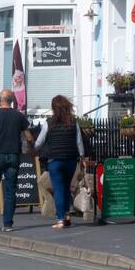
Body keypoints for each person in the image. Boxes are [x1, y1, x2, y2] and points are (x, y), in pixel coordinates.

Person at [0, 89, 34, 231]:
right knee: (10, 190)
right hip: (13, 156)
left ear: (0, 99)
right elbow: (29, 137)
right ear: (12, 101)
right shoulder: (19, 116)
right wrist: (30, 149)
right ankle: (8, 224)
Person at [33, 95, 87, 230]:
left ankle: (61, 219)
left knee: (58, 189)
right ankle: (67, 214)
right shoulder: (74, 122)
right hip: (70, 160)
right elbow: (79, 142)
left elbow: (39, 142)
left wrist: (33, 149)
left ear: (53, 108)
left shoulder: (49, 122)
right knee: (66, 187)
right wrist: (82, 157)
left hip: (55, 161)